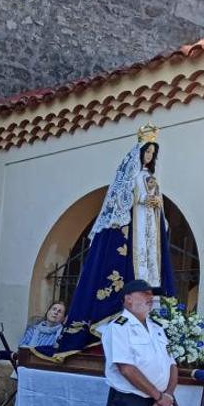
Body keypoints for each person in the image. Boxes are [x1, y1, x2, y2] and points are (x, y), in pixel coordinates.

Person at [57, 124, 175, 358]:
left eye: (153, 153)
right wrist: (143, 200)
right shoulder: (130, 175)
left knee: (150, 272)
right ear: (139, 153)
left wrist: (156, 205)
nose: (149, 156)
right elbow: (122, 200)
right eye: (147, 152)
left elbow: (157, 204)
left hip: (149, 234)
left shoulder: (152, 178)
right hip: (135, 229)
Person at [102, 280, 177, 406]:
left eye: (152, 295)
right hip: (130, 403)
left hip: (157, 403)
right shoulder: (119, 327)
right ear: (128, 299)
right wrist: (159, 397)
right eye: (145, 294)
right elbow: (126, 369)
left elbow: (172, 365)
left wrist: (168, 395)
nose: (151, 298)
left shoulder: (157, 328)